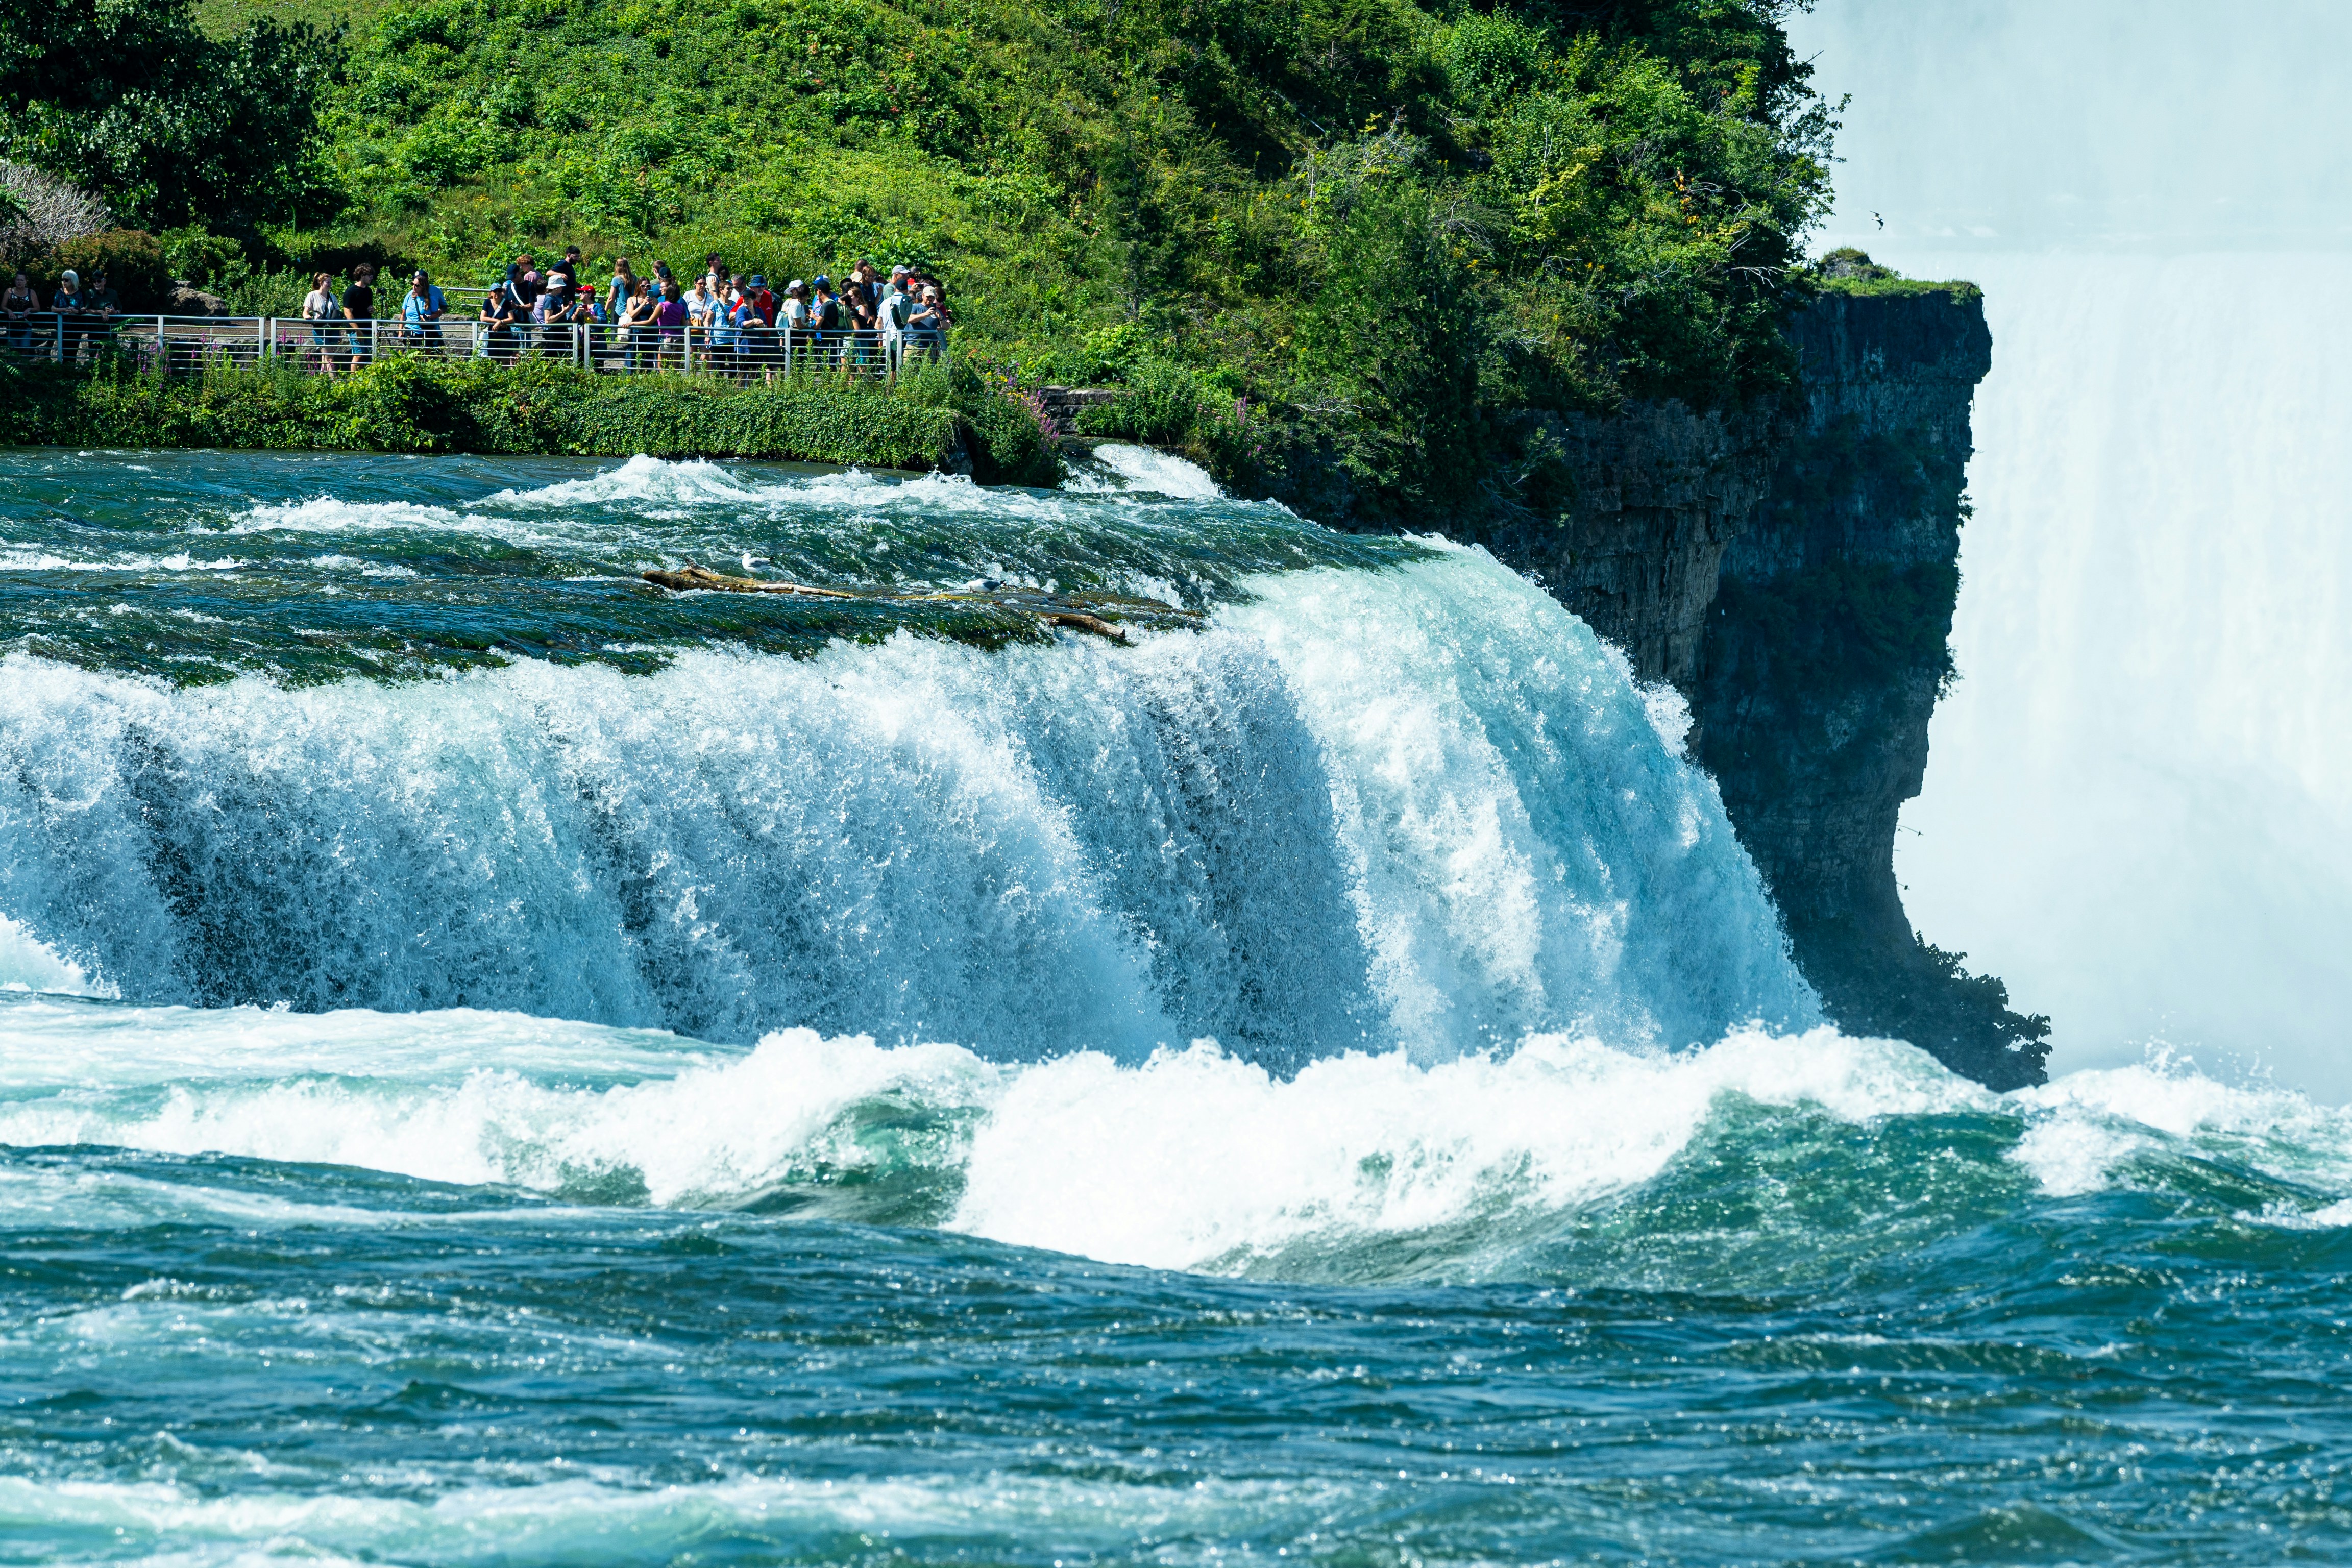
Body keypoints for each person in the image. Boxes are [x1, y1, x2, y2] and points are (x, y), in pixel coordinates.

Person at [339, 263, 377, 372]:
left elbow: (366, 308)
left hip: (367, 327)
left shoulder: (368, 291)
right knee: (359, 355)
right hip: (355, 329)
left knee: (367, 355)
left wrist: (371, 309)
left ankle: (363, 378)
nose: (371, 278)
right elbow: (347, 312)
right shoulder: (351, 292)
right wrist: (357, 330)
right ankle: (353, 380)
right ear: (362, 275)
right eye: (369, 275)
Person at [301, 271, 339, 374]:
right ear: (321, 283)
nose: (330, 284)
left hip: (332, 329)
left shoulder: (333, 297)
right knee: (329, 357)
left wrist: (339, 332)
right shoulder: (312, 295)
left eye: (331, 282)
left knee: (326, 356)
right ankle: (334, 380)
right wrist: (307, 317)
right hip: (320, 329)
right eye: (328, 282)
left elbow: (337, 315)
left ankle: (323, 378)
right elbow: (305, 312)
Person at [400, 270, 445, 355]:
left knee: (429, 355)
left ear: (423, 285)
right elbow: (403, 315)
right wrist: (400, 331)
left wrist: (430, 317)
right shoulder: (409, 296)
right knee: (412, 356)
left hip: (427, 330)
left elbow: (442, 308)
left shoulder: (433, 294)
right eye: (413, 284)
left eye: (417, 285)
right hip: (411, 330)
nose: (414, 287)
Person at [652, 278, 688, 371]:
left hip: (667, 338)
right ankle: (675, 380)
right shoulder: (681, 306)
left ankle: (664, 380)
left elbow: (650, 321)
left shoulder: (662, 305)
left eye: (663, 287)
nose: (660, 289)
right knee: (676, 367)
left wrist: (633, 323)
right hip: (680, 338)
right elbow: (684, 324)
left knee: (662, 366)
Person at [3, 270, 36, 356]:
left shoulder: (31, 293)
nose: (19, 282)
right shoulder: (9, 291)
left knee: (24, 350)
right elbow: (2, 306)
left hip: (26, 325)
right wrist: (8, 311)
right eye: (18, 280)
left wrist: (30, 309)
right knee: (12, 351)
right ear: (15, 281)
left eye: (22, 280)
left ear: (26, 281)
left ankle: (24, 364)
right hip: (12, 325)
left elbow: (37, 308)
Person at [607, 256, 637, 323]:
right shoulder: (634, 278)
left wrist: (605, 311)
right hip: (633, 311)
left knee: (619, 329)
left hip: (620, 312)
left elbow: (611, 298)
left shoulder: (616, 280)